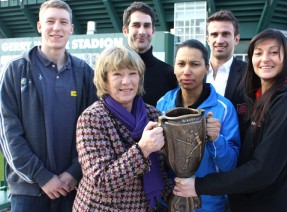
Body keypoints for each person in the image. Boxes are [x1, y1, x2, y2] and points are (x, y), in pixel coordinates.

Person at [173, 29, 287, 212]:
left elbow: (263, 170)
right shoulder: (259, 97)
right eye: (258, 53)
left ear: (286, 57)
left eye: (274, 52)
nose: (265, 59)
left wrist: (200, 185)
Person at [0, 0, 97, 211]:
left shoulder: (84, 73)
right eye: (50, 21)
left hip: (71, 188)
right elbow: (9, 134)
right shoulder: (16, 70)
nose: (56, 27)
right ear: (39, 26)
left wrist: (74, 172)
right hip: (29, 191)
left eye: (63, 22)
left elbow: (95, 132)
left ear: (71, 28)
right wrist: (41, 176)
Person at [73, 45, 173, 211]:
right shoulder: (92, 118)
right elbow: (102, 181)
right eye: (117, 74)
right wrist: (143, 149)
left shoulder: (153, 114)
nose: (126, 81)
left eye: (132, 73)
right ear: (105, 79)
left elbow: (162, 170)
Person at [156, 39, 240, 212]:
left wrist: (216, 139)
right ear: (174, 68)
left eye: (194, 64)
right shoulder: (163, 104)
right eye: (181, 64)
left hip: (209, 205)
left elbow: (231, 165)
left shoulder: (223, 108)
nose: (187, 71)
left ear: (207, 68)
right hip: (169, 203)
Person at [122, 1, 178, 106]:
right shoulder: (112, 72)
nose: (142, 32)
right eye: (136, 25)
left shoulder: (170, 74)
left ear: (153, 31)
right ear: (125, 31)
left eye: (147, 26)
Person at [206, 10, 247, 123]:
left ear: (236, 39)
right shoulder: (196, 71)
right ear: (208, 39)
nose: (219, 40)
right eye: (214, 34)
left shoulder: (249, 73)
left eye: (225, 34)